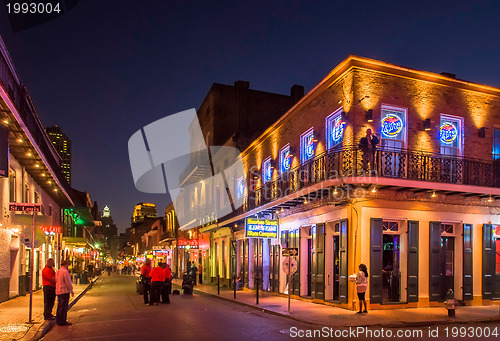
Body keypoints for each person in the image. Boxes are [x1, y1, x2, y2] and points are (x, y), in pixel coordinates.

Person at [55, 260, 74, 326]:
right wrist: (71, 290)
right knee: (64, 306)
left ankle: (58, 320)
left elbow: (56, 280)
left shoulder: (58, 271)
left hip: (59, 291)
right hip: (64, 291)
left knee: (59, 306)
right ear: (66, 265)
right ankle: (62, 321)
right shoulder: (65, 272)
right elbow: (68, 282)